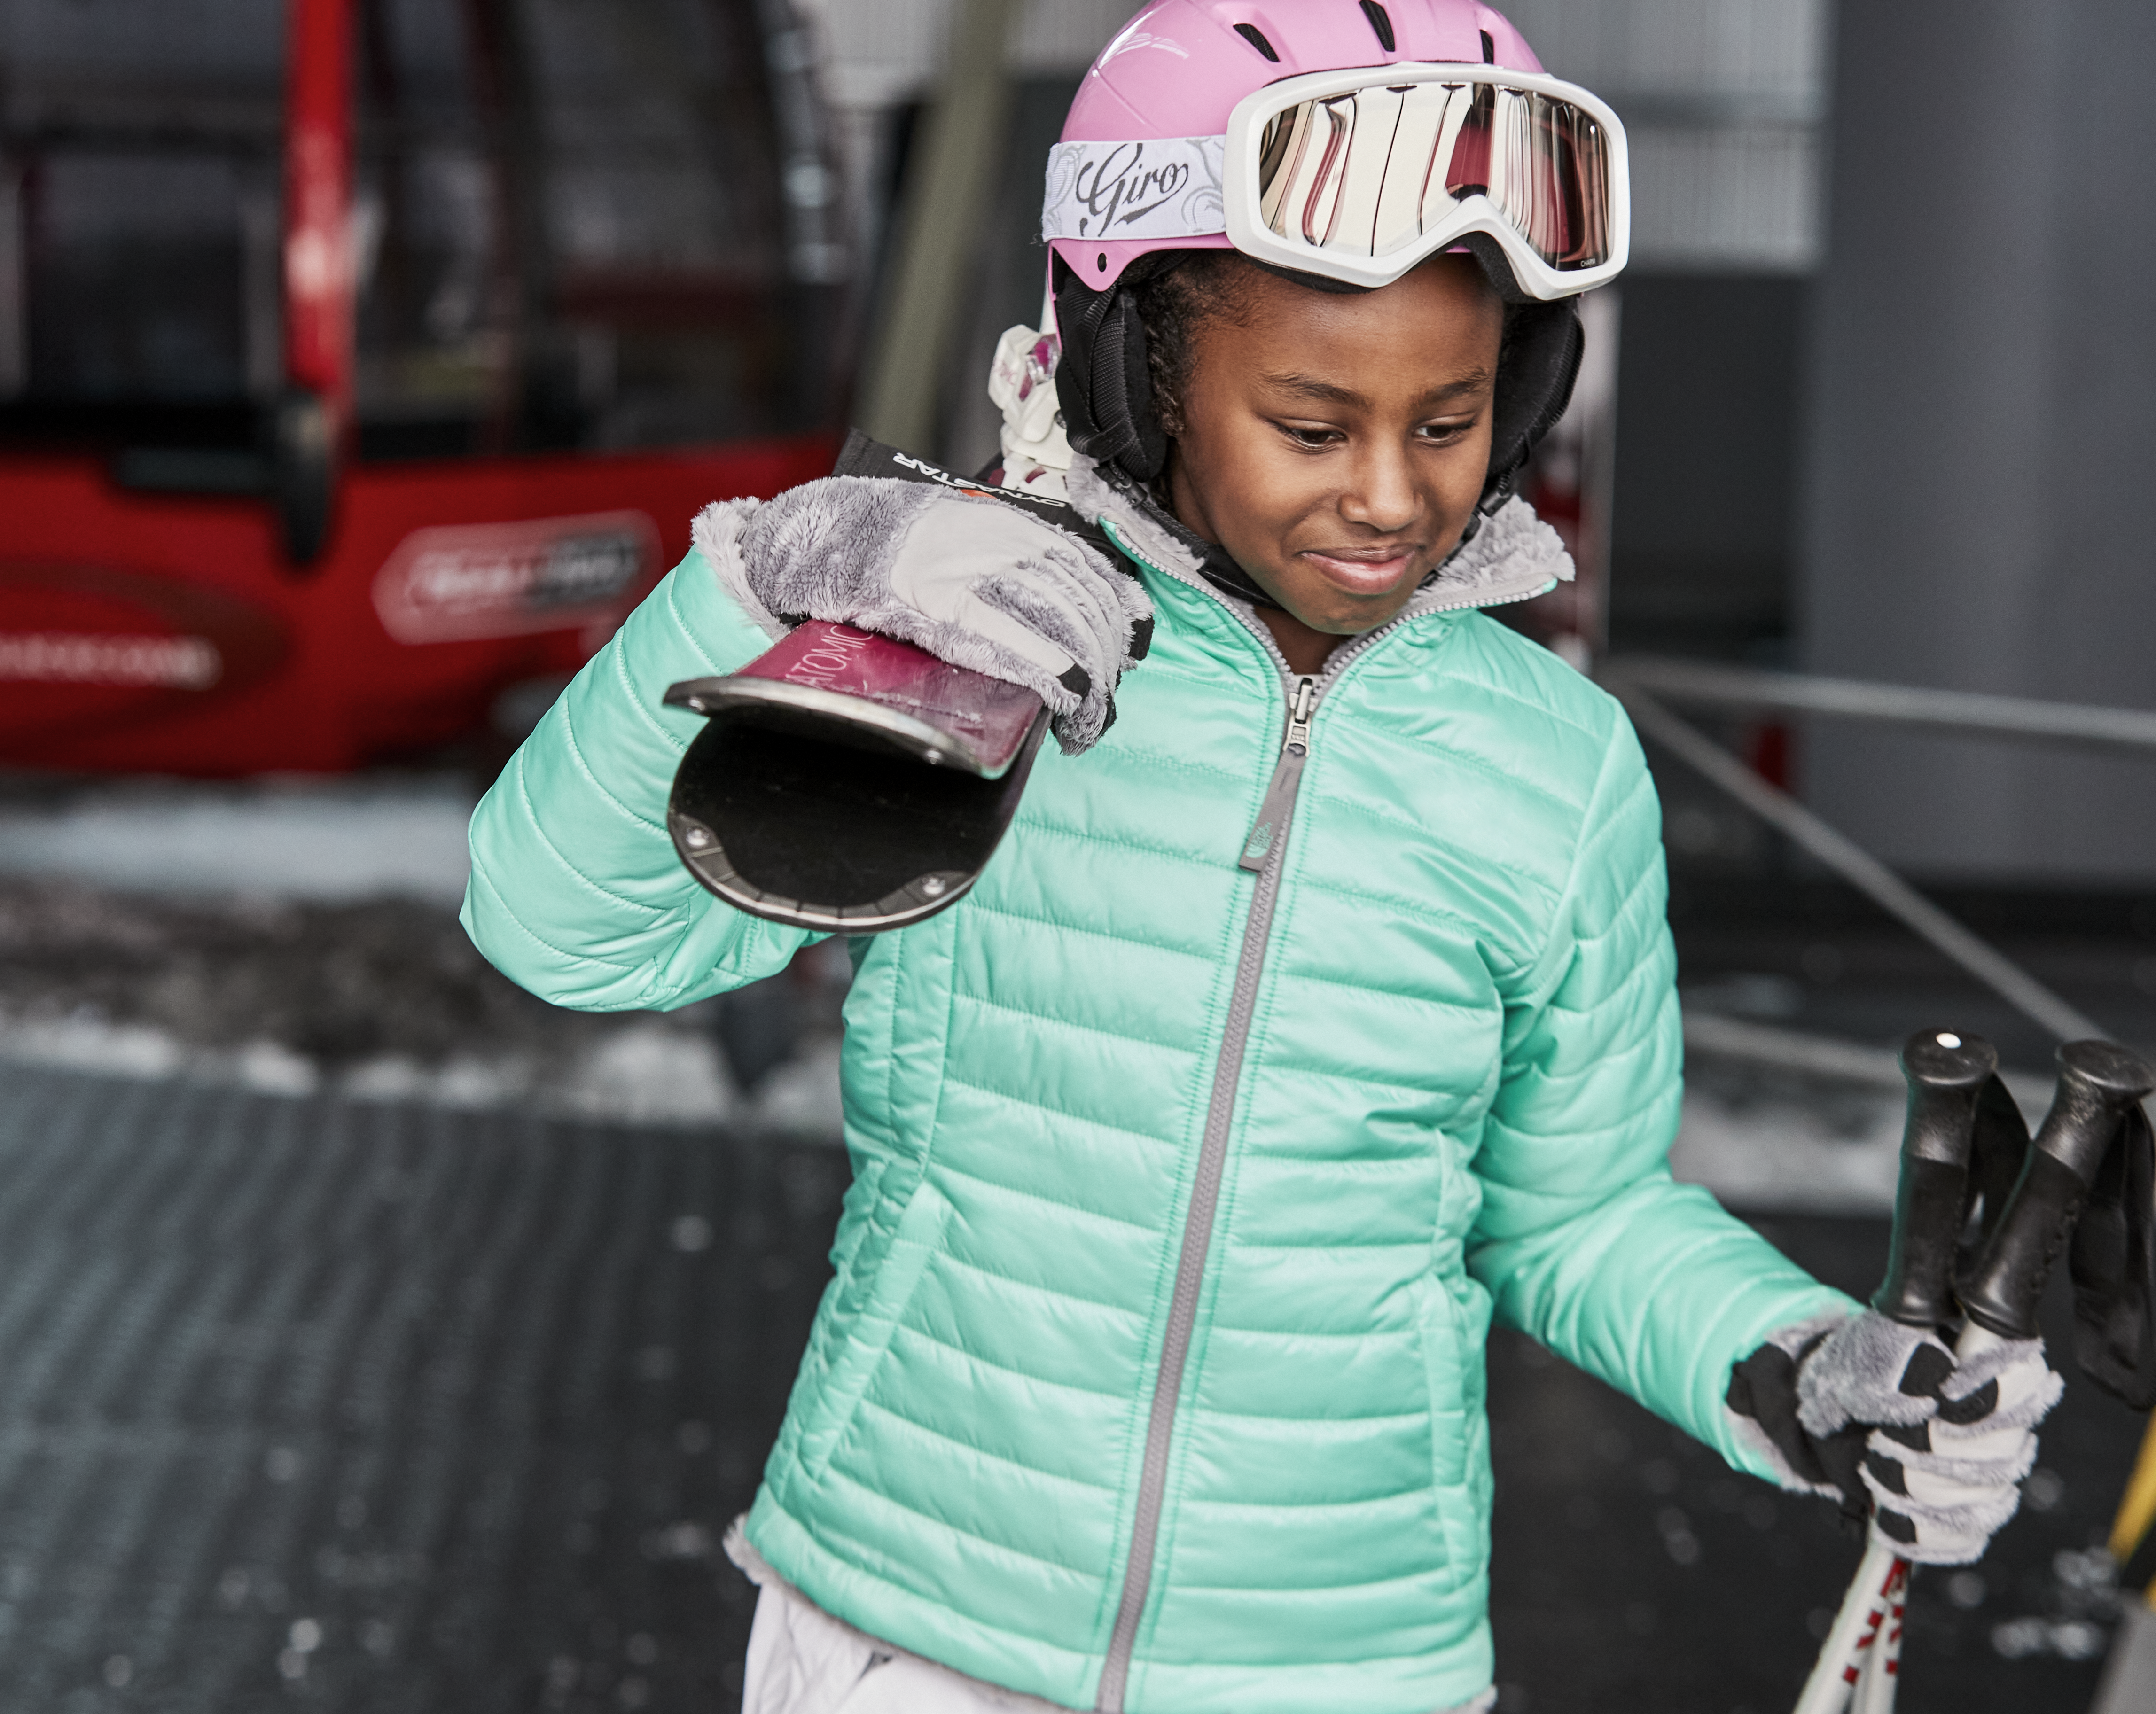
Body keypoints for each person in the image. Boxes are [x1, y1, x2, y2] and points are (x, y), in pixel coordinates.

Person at [461, 4, 2057, 1710]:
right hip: (910, 1629)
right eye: (1310, 425)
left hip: (1343, 1666)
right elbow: (561, 931)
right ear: (1136, 377)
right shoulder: (960, 655)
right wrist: (770, 583)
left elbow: (1576, 1211)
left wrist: (1797, 1367)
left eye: (1448, 421)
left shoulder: (1555, 767)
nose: (1388, 498)